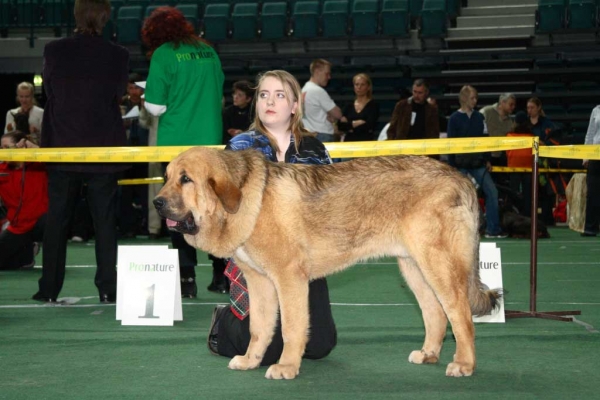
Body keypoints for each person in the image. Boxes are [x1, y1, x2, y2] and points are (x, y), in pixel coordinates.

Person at [208, 70, 337, 364]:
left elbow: (331, 205)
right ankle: (224, 322)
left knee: (319, 346)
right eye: (264, 95)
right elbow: (226, 208)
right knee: (268, 350)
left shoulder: (315, 150)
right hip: (255, 260)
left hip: (305, 257)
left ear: (294, 105)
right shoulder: (239, 148)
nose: (270, 101)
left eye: (280, 95)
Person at [33, 0, 129, 303]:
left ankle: (48, 288)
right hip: (104, 146)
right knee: (104, 220)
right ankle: (108, 289)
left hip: (62, 145)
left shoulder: (54, 50)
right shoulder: (118, 54)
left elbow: (49, 91)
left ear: (76, 16)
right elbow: (118, 94)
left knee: (57, 218)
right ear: (105, 19)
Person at [142, 6, 227, 297]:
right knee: (213, 208)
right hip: (211, 144)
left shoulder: (163, 55)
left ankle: (186, 279)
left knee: (176, 209)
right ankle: (221, 275)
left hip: (177, 144)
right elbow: (220, 93)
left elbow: (155, 107)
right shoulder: (209, 52)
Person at [447, 85, 507, 239]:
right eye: (473, 97)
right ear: (465, 98)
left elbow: (485, 140)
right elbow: (450, 144)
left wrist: (487, 159)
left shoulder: (480, 118)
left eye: (476, 98)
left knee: (492, 192)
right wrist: (452, 166)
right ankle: (462, 231)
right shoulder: (454, 119)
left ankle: (493, 229)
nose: (475, 100)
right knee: (461, 197)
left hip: (478, 163)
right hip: (460, 166)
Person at [0, 132, 46, 270]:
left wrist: (33, 147)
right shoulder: (2, 170)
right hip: (17, 227)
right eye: (2, 148)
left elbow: (51, 159)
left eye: (8, 147)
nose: (4, 152)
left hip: (42, 223)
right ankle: (27, 254)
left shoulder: (39, 164)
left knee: (52, 221)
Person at [119, 72, 150, 238]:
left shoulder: (149, 104)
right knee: (125, 194)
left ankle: (147, 226)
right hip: (126, 155)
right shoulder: (121, 104)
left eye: (137, 87)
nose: (134, 91)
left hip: (146, 153)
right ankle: (127, 227)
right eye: (131, 87)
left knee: (147, 193)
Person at [301, 59, 342, 144]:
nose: (329, 77)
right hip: (322, 136)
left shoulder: (304, 90)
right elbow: (338, 114)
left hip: (309, 135)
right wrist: (332, 115)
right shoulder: (317, 91)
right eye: (326, 74)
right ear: (317, 71)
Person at [387, 79, 440, 143]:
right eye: (415, 92)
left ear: (426, 92)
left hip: (423, 147)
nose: (416, 95)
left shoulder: (432, 109)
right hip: (402, 146)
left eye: (420, 93)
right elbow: (392, 128)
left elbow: (435, 132)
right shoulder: (401, 106)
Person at [506, 111, 534, 216]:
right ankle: (527, 217)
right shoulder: (532, 137)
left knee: (514, 194)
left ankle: (515, 216)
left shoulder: (509, 136)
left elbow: (506, 152)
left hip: (514, 168)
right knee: (528, 195)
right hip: (528, 169)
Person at [338, 73, 380, 142]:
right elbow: (340, 126)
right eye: (357, 84)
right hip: (349, 141)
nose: (359, 87)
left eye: (362, 85)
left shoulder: (373, 105)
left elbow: (370, 125)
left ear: (368, 87)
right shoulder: (349, 105)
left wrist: (349, 125)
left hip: (366, 141)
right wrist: (356, 123)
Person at [480, 93, 516, 166]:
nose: (513, 107)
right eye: (511, 104)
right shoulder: (486, 112)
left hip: (501, 157)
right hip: (486, 156)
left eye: (514, 105)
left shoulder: (510, 121)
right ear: (503, 102)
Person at [581, 105, 600, 237]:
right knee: (592, 192)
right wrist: (585, 156)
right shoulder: (596, 110)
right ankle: (590, 227)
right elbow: (590, 134)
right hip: (595, 155)